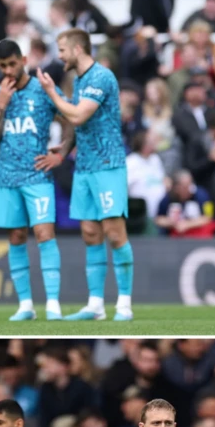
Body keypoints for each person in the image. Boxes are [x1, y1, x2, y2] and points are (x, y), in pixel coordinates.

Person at [37, 28, 134, 322]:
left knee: (116, 234)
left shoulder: (102, 76)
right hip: (86, 167)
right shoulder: (80, 80)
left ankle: (125, 305)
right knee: (91, 234)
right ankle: (95, 305)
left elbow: (79, 115)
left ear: (77, 49)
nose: (60, 56)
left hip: (108, 165)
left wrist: (52, 92)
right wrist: (64, 151)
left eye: (63, 50)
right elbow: (79, 126)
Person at [0, 39, 63, 323]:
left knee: (44, 234)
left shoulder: (42, 90)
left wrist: (62, 152)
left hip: (37, 175)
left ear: (24, 59)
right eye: (3, 66)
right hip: (6, 178)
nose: (8, 70)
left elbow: (71, 117)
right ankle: (26, 304)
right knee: (16, 237)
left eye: (12, 64)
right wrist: (1, 107)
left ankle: (53, 303)